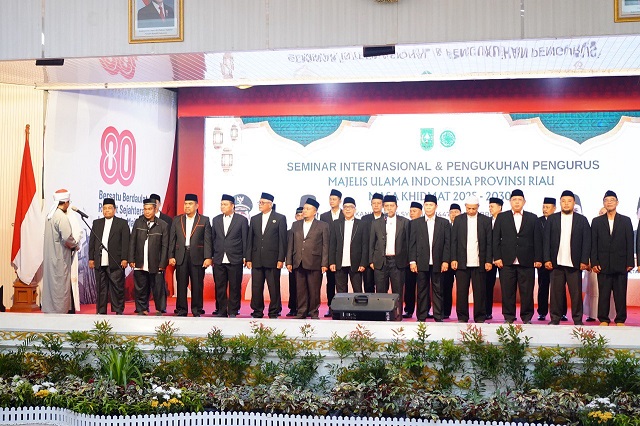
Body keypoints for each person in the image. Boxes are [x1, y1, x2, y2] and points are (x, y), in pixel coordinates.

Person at [493, 189, 542, 324]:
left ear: (524, 202)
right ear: (510, 202)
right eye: (514, 200)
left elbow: (538, 240)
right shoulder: (502, 217)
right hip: (506, 261)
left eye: (519, 200)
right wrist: (497, 257)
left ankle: (527, 317)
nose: (517, 202)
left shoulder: (532, 218)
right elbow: (495, 239)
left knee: (527, 291)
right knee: (507, 291)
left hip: (527, 260)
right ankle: (509, 316)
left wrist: (538, 258)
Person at [542, 190, 590, 325]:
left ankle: (577, 319)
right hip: (556, 263)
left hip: (574, 263)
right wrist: (547, 259)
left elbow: (587, 241)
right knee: (556, 293)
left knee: (576, 294)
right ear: (560, 203)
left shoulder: (582, 220)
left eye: (569, 201)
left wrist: (584, 260)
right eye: (563, 201)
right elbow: (546, 241)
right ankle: (555, 318)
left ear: (574, 203)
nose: (566, 204)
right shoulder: (552, 219)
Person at [590, 190, 634, 326]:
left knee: (620, 294)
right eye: (606, 200)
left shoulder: (626, 220)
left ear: (617, 202)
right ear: (603, 203)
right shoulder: (596, 221)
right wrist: (594, 262)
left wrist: (630, 262)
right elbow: (593, 243)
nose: (609, 202)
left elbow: (630, 242)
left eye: (612, 200)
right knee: (603, 294)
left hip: (621, 263)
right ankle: (603, 319)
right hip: (603, 264)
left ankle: (620, 319)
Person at [169, 194, 212, 317]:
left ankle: (197, 309)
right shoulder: (177, 219)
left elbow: (207, 240)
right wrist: (171, 256)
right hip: (181, 256)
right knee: (181, 284)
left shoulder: (204, 220)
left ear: (197, 206)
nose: (187, 206)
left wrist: (208, 257)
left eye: (190, 204)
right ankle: (181, 309)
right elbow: (172, 239)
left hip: (197, 256)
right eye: (186, 204)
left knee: (197, 284)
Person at [451, 195, 492, 323]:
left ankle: (480, 317)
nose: (471, 211)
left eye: (474, 208)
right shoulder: (459, 220)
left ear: (478, 207)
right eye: (469, 208)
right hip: (462, 262)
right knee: (462, 292)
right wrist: (453, 259)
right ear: (465, 207)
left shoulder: (485, 220)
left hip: (479, 262)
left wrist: (488, 261)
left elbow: (489, 242)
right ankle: (462, 317)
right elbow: (454, 241)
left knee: (480, 292)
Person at [409, 194, 450, 322]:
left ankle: (438, 315)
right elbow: (412, 244)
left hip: (438, 262)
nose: (428, 207)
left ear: (436, 206)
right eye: (426, 205)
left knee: (438, 290)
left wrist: (445, 261)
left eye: (431, 205)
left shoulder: (444, 223)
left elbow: (447, 244)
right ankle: (421, 316)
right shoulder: (416, 223)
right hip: (421, 262)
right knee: (421, 290)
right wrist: (412, 261)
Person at [246, 192, 287, 318]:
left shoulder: (279, 218)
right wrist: (248, 258)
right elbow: (250, 240)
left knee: (273, 287)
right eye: (259, 202)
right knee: (256, 287)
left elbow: (282, 240)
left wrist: (281, 258)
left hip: (273, 259)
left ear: (270, 204)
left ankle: (274, 310)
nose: (260, 204)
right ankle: (257, 310)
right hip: (256, 258)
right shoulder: (254, 219)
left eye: (262, 203)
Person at [287, 198, 329, 319]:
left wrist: (324, 263)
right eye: (304, 208)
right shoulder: (296, 225)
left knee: (314, 289)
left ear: (315, 212)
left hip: (315, 262)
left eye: (308, 209)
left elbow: (325, 245)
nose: (304, 211)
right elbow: (291, 244)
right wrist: (289, 261)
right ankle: (301, 312)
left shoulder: (322, 226)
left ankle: (313, 312)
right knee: (300, 289)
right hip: (298, 261)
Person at [370, 195, 410, 318]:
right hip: (381, 261)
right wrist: (371, 260)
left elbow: (408, 243)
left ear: (396, 207)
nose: (389, 208)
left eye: (392, 206)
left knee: (398, 291)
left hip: (398, 262)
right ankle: (381, 315)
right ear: (383, 207)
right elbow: (372, 242)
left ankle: (398, 315)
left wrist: (408, 260)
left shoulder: (404, 222)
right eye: (386, 206)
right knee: (380, 291)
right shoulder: (376, 222)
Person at [88, 197, 130, 315]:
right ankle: (101, 311)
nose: (107, 210)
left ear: (114, 210)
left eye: (109, 208)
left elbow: (126, 242)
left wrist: (125, 258)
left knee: (117, 287)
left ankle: (118, 310)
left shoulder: (122, 223)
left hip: (115, 261)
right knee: (101, 288)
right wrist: (91, 258)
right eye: (104, 208)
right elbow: (92, 242)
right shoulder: (97, 223)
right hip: (100, 261)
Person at [130, 198, 169, 315]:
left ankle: (160, 309)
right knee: (141, 287)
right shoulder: (138, 223)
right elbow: (132, 242)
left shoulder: (163, 225)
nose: (147, 212)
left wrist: (163, 263)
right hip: (140, 260)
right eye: (145, 209)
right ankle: (142, 308)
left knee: (158, 287)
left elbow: (165, 246)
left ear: (155, 209)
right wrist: (131, 258)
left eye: (149, 209)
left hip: (155, 261)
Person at [42, 189, 79, 314]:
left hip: (50, 256)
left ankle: (50, 309)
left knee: (51, 285)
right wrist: (75, 245)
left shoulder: (50, 215)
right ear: (66, 202)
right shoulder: (61, 217)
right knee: (60, 284)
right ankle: (60, 311)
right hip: (59, 257)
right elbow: (67, 237)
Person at [211, 194, 248, 318]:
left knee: (235, 286)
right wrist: (211, 256)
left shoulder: (241, 220)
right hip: (219, 257)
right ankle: (221, 310)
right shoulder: (216, 220)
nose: (222, 206)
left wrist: (245, 256)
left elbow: (245, 239)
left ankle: (233, 310)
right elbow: (212, 239)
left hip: (235, 257)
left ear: (232, 206)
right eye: (221, 204)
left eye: (225, 204)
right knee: (220, 286)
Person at [536, 197, 568, 321]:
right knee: (543, 286)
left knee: (559, 288)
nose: (545, 209)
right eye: (544, 207)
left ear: (554, 208)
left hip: (557, 260)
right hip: (542, 261)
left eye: (548, 207)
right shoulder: (538, 221)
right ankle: (542, 312)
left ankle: (562, 312)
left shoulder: (559, 220)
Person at [329, 197, 368, 294]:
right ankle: (343, 305)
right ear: (342, 210)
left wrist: (363, 263)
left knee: (357, 290)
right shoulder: (336, 223)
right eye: (345, 207)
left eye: (350, 207)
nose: (348, 209)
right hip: (339, 263)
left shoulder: (362, 224)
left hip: (356, 263)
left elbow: (365, 245)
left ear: (355, 209)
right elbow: (332, 244)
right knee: (341, 291)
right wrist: (332, 262)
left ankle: (358, 305)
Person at [320, 189, 344, 316]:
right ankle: (331, 306)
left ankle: (343, 306)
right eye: (330, 199)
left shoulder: (345, 214)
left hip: (343, 254)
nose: (332, 201)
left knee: (342, 282)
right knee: (331, 282)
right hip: (330, 253)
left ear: (340, 201)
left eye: (334, 199)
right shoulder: (324, 216)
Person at [149, 192, 175, 300]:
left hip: (161, 254)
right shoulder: (143, 219)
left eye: (155, 203)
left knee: (159, 280)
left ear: (159, 204)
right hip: (147, 254)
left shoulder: (167, 220)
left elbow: (171, 239)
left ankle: (161, 303)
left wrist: (169, 255)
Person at [403, 201, 424, 318]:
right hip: (409, 261)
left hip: (423, 260)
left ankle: (425, 310)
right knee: (409, 287)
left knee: (424, 287)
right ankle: (409, 310)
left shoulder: (425, 224)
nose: (411, 213)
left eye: (414, 211)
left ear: (421, 212)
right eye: (410, 211)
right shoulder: (407, 224)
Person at [360, 192, 384, 293]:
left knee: (381, 286)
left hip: (382, 258)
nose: (376, 205)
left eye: (378, 203)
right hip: (367, 257)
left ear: (382, 205)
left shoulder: (387, 218)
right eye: (374, 203)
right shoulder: (365, 219)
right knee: (368, 284)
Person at [442, 203, 461, 319]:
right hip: (447, 263)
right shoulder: (445, 226)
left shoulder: (463, 226)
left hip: (460, 262)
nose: (453, 214)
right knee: (446, 287)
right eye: (451, 212)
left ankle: (461, 313)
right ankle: (445, 312)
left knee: (461, 289)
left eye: (456, 212)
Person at [484, 197, 503, 320]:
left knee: (506, 287)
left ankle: (508, 314)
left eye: (492, 206)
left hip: (503, 259)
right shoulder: (487, 221)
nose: (490, 208)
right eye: (489, 206)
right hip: (489, 259)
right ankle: (487, 311)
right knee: (487, 286)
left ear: (499, 207)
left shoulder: (506, 220)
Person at [285, 206, 304, 316]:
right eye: (298, 215)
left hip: (307, 262)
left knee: (305, 288)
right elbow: (288, 248)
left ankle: (305, 308)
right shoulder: (289, 232)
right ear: (295, 217)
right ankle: (293, 308)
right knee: (293, 286)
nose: (300, 217)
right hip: (293, 262)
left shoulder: (309, 230)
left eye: (302, 215)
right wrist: (288, 262)